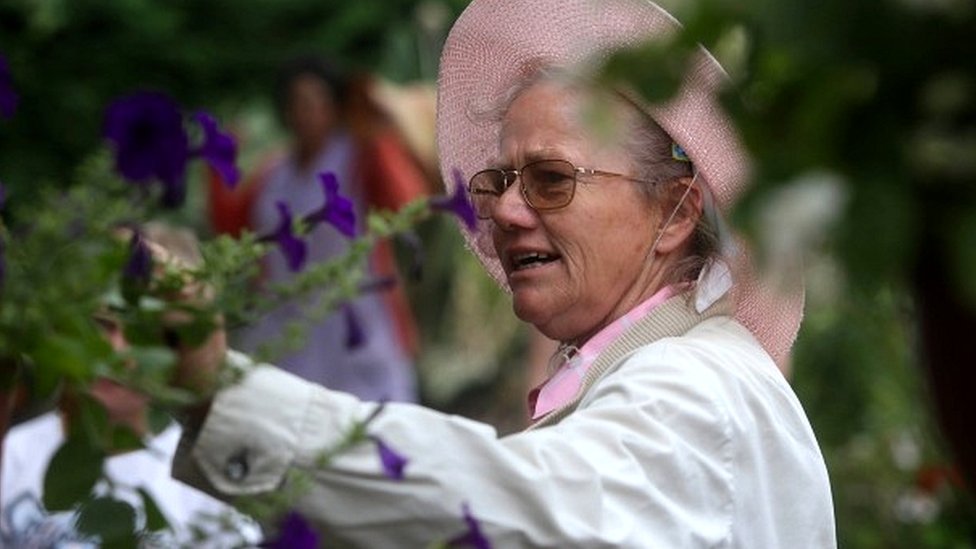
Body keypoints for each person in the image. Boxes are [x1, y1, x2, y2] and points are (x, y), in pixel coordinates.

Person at [171, 0, 836, 546]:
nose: (505, 211)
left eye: (551, 179)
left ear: (675, 212)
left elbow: (504, 507)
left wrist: (221, 390)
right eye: (497, 181)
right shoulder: (676, 369)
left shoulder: (691, 387)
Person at [0, 225, 261, 548]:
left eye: (145, 333)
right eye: (102, 324)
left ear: (182, 353)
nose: (119, 351)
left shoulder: (205, 488)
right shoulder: (13, 452)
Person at [208, 55, 427, 402]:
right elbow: (234, 228)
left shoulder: (359, 154)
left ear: (334, 105)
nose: (306, 112)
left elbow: (407, 204)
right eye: (297, 102)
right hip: (287, 325)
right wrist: (218, 165)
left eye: (316, 100)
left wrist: (380, 133)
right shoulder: (274, 170)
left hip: (359, 322)